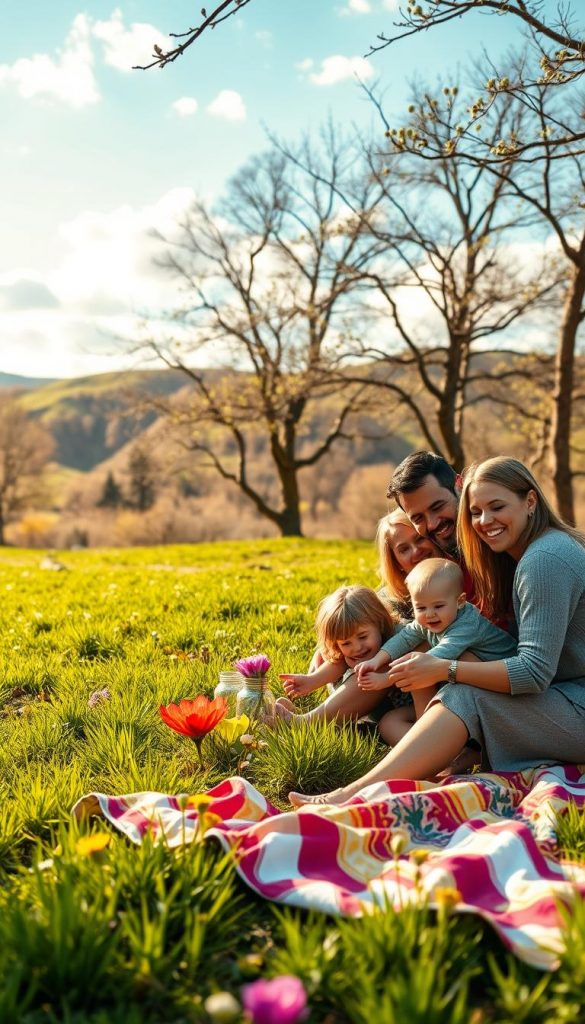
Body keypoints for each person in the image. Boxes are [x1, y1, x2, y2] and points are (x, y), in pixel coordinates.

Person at [289, 456, 585, 807]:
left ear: (530, 501)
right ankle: (373, 780)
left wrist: (447, 669)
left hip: (574, 701)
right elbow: (407, 617)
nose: (485, 521)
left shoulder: (543, 560)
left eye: (497, 507)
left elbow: (533, 673)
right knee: (462, 686)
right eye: (476, 513)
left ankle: (348, 797)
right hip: (566, 693)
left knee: (464, 694)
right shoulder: (522, 555)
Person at [276, 513, 439, 737]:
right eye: (403, 549)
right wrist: (319, 669)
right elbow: (351, 631)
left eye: (420, 539)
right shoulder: (388, 598)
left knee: (380, 659)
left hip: (419, 692)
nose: (416, 551)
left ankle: (309, 723)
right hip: (381, 693)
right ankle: (314, 720)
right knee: (358, 657)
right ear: (394, 559)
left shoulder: (447, 584)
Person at [357, 558, 517, 721]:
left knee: (427, 667)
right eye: (421, 607)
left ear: (460, 601)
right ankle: (425, 731)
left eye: (438, 606)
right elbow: (404, 638)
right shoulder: (427, 621)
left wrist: (386, 679)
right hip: (469, 682)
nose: (430, 614)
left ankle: (433, 731)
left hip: (503, 684)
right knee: (390, 722)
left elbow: (429, 661)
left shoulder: (467, 625)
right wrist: (376, 660)